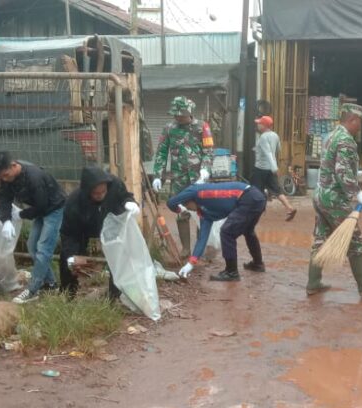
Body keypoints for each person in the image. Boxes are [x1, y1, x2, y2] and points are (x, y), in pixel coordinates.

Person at [307, 104, 362, 295]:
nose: (360, 126)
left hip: (321, 194)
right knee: (354, 239)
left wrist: (357, 174)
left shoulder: (332, 135)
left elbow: (330, 164)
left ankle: (313, 283)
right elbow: (341, 170)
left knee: (320, 238)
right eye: (359, 121)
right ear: (352, 119)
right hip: (334, 198)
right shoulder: (346, 140)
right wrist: (356, 193)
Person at [0, 152, 66, 304]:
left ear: (13, 165)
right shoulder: (8, 177)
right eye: (1, 177)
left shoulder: (34, 177)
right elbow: (3, 197)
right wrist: (6, 220)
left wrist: (21, 215)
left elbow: (42, 206)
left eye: (5, 175)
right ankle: (50, 284)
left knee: (43, 248)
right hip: (40, 209)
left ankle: (32, 290)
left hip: (54, 209)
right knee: (32, 246)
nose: (3, 179)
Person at [60, 166, 140, 300]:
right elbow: (69, 233)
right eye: (96, 193)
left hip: (112, 225)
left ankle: (116, 297)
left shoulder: (114, 184)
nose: (101, 195)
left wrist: (130, 203)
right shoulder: (74, 202)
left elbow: (125, 196)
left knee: (118, 258)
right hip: (84, 228)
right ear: (88, 191)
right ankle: (67, 294)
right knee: (68, 261)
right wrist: (70, 255)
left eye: (104, 191)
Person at [151, 96, 214, 259]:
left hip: (199, 179)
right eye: (175, 114)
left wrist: (205, 170)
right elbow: (162, 153)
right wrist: (158, 175)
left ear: (188, 112)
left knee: (202, 212)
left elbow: (208, 151)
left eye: (179, 114)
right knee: (181, 213)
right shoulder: (169, 128)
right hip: (179, 178)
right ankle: (186, 248)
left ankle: (200, 249)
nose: (176, 117)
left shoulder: (202, 127)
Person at [167, 182, 266, 282]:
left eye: (186, 204)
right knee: (248, 231)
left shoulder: (195, 192)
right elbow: (202, 238)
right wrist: (191, 263)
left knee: (227, 232)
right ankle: (257, 264)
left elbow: (170, 203)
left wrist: (178, 210)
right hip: (255, 198)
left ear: (190, 200)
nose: (187, 208)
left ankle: (231, 272)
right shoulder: (205, 213)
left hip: (248, 197)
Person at [250, 115, 297, 221]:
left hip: (261, 168)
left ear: (264, 125)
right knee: (277, 190)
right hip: (270, 169)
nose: (257, 125)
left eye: (259, 123)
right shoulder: (275, 135)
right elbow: (278, 148)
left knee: (255, 190)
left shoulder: (263, 137)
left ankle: (256, 211)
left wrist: (274, 167)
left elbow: (268, 152)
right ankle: (289, 207)